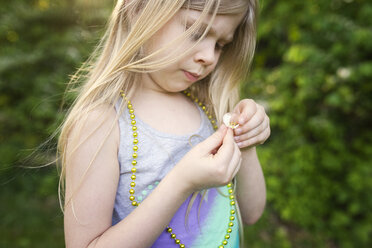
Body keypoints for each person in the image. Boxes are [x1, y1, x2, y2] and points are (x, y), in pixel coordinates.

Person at [59, 0, 269, 247]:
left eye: (221, 45)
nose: (209, 56)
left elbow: (252, 212)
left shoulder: (209, 108)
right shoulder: (101, 124)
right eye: (196, 32)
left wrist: (247, 143)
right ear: (139, 11)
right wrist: (181, 182)